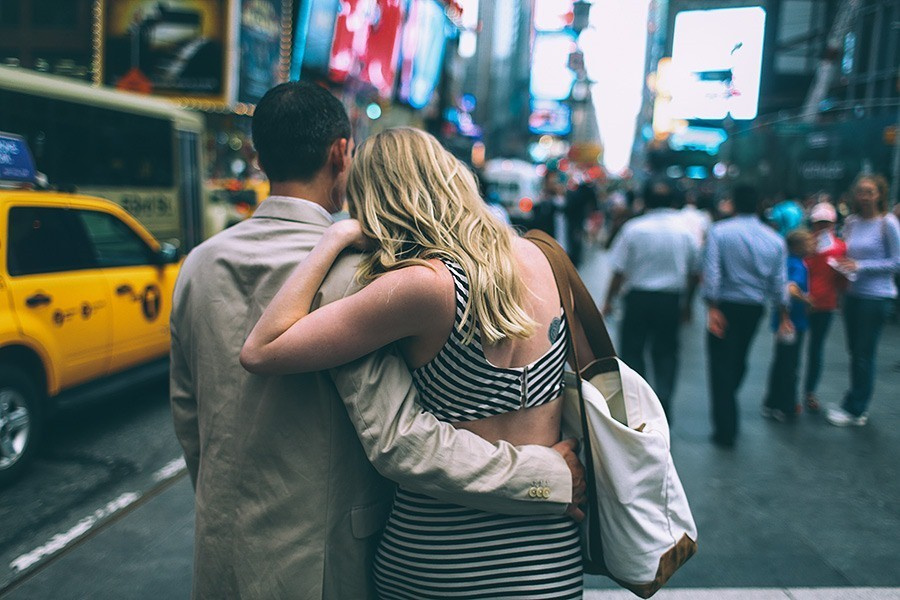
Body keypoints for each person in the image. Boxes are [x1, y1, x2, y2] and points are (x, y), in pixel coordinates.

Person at [169, 84, 585, 599]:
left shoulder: (199, 264)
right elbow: (399, 440)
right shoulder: (365, 275)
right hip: (331, 556)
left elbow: (189, 416)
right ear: (339, 152)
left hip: (225, 544)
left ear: (256, 156)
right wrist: (546, 476)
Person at [602, 178, 700, 422]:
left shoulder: (634, 229)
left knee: (633, 352)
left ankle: (639, 410)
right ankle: (663, 404)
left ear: (644, 200)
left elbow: (618, 270)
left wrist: (608, 300)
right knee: (666, 353)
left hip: (638, 299)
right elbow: (694, 272)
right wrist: (687, 304)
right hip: (670, 300)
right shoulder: (685, 232)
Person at [703, 183, 791, 448]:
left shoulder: (720, 232)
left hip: (725, 306)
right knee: (739, 358)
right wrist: (783, 312)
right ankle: (729, 403)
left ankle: (725, 428)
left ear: (733, 203)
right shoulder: (774, 239)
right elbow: (779, 280)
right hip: (754, 309)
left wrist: (712, 306)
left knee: (721, 365)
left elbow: (712, 272)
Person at [826, 174, 900, 427]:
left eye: (869, 191)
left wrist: (861, 266)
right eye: (860, 191)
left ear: (880, 194)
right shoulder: (852, 222)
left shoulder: (887, 223)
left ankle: (856, 408)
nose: (864, 196)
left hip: (876, 296)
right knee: (855, 350)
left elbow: (897, 262)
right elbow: (844, 251)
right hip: (852, 293)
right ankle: (853, 402)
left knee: (863, 354)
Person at [762, 230, 814, 421]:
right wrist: (806, 299)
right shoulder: (797, 265)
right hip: (793, 321)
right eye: (808, 242)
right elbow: (791, 288)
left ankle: (771, 402)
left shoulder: (787, 262)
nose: (812, 246)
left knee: (780, 361)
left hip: (783, 319)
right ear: (798, 246)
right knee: (790, 363)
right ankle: (786, 405)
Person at [802, 202, 846, 412]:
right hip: (802, 302)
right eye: (819, 223)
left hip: (825, 303)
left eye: (826, 223)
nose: (822, 227)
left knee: (815, 349)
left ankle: (810, 391)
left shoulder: (839, 247)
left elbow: (842, 280)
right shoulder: (804, 245)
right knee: (793, 348)